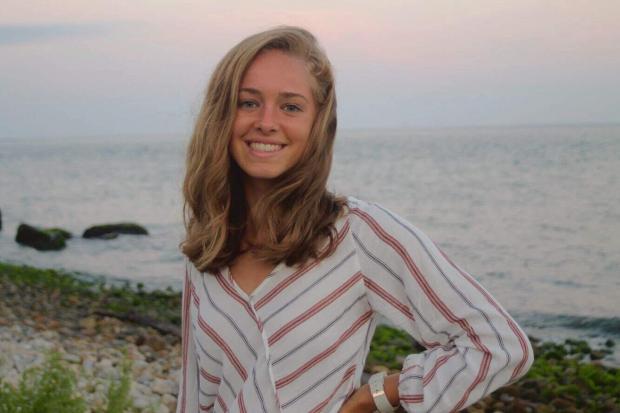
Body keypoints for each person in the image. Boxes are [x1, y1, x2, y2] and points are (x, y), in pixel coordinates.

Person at [176, 25, 533, 413]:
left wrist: (378, 395)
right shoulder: (208, 246)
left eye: (291, 107)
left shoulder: (358, 235)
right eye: (248, 102)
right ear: (221, 115)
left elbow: (499, 346)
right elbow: (194, 396)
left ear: (318, 124)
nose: (266, 121)